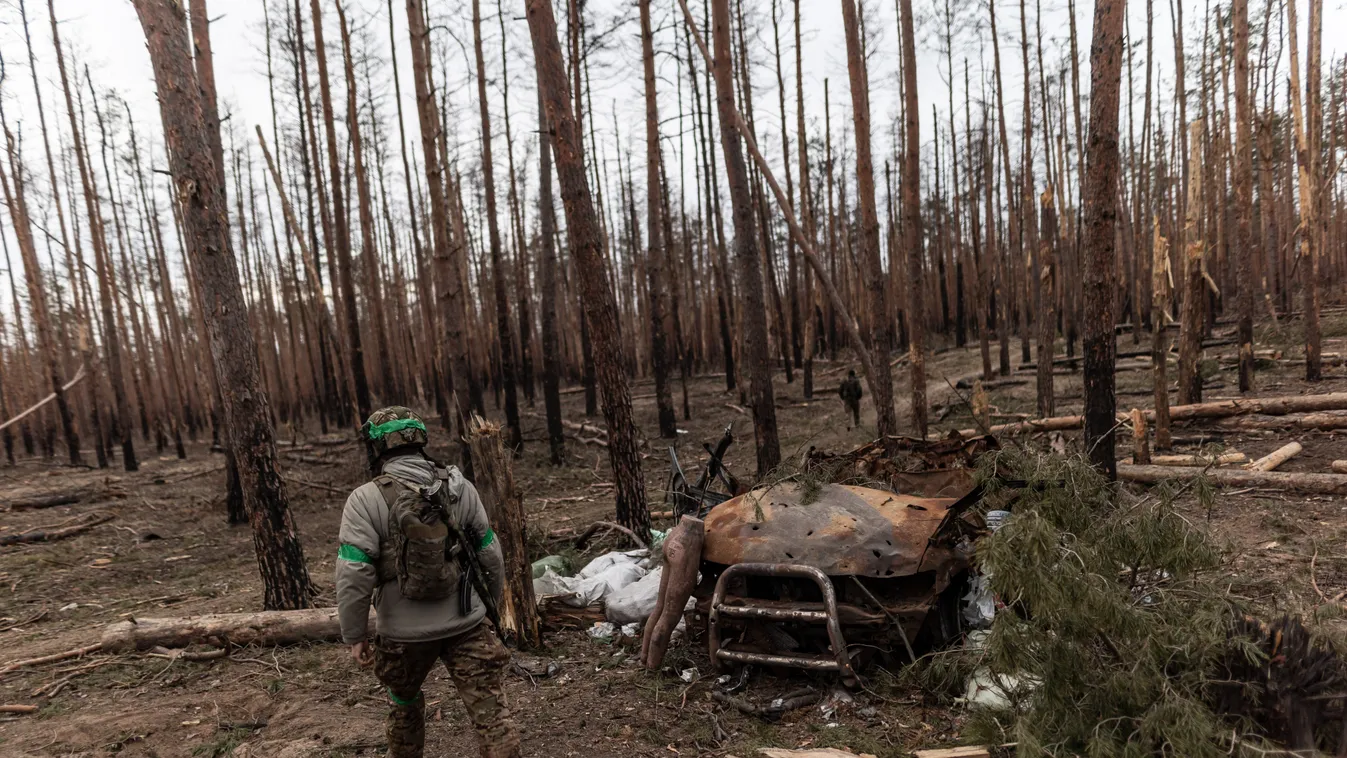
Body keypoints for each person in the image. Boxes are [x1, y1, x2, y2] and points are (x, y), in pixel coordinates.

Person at [336, 406, 521, 758]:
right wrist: (489, 607)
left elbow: (353, 573)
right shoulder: (458, 486)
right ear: (420, 440)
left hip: (402, 634)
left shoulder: (364, 499)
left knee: (403, 703)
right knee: (492, 715)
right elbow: (490, 554)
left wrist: (355, 634)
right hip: (466, 623)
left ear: (376, 448)